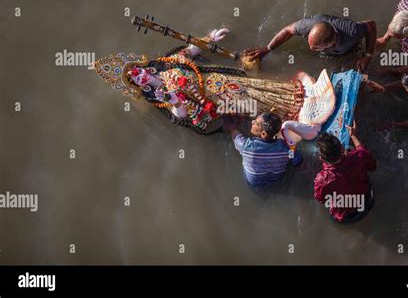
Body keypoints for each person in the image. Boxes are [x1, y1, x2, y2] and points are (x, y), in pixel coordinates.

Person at [93, 28, 334, 136]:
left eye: (136, 70)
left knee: (255, 88)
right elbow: (180, 117)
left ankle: (299, 96)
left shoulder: (163, 63)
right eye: (133, 77)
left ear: (140, 65)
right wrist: (176, 101)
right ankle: (294, 118)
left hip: (220, 79)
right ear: (136, 85)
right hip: (216, 100)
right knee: (251, 105)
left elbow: (189, 53)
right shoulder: (156, 96)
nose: (138, 74)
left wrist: (209, 39)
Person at [244, 14, 376, 71]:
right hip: (330, 44)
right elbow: (287, 30)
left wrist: (367, 56)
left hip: (348, 44)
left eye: (316, 47)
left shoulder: (351, 31)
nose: (311, 49)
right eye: (310, 44)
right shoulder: (306, 26)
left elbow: (371, 25)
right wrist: (268, 48)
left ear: (330, 43)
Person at [314, 121, 376, 223]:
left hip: (346, 217)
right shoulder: (360, 156)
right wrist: (353, 136)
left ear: (321, 159)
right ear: (342, 148)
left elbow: (321, 199)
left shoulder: (322, 180)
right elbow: (372, 165)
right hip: (368, 202)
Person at [230, 112, 303, 191]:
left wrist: (232, 126)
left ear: (263, 133)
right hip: (276, 180)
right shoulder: (287, 148)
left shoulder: (246, 147)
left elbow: (235, 135)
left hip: (254, 183)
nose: (252, 122)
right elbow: (297, 161)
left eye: (256, 123)